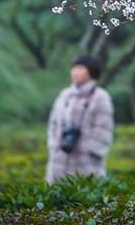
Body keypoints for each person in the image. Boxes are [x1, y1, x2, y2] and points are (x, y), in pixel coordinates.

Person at [45, 55, 114, 184]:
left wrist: (90, 149)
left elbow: (103, 128)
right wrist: (53, 144)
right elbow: (53, 123)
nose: (75, 72)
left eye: (80, 68)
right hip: (59, 158)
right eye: (74, 68)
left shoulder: (100, 96)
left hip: (86, 163)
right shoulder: (65, 95)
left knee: (83, 198)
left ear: (91, 71)